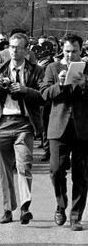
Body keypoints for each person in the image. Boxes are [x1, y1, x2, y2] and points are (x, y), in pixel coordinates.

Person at [0, 33, 44, 225]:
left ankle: (25, 207)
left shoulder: (35, 71)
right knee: (5, 170)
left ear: (26, 50)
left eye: (18, 47)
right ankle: (8, 209)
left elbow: (43, 95)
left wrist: (24, 90)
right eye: (11, 46)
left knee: (24, 165)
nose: (14, 50)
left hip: (24, 124)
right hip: (2, 123)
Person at [40, 33, 88, 231]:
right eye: (67, 51)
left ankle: (76, 216)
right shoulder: (52, 67)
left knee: (81, 174)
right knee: (56, 170)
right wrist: (60, 85)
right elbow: (44, 93)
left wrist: (84, 85)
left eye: (74, 51)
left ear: (81, 51)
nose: (70, 55)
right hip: (58, 127)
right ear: (62, 50)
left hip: (82, 128)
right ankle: (61, 204)